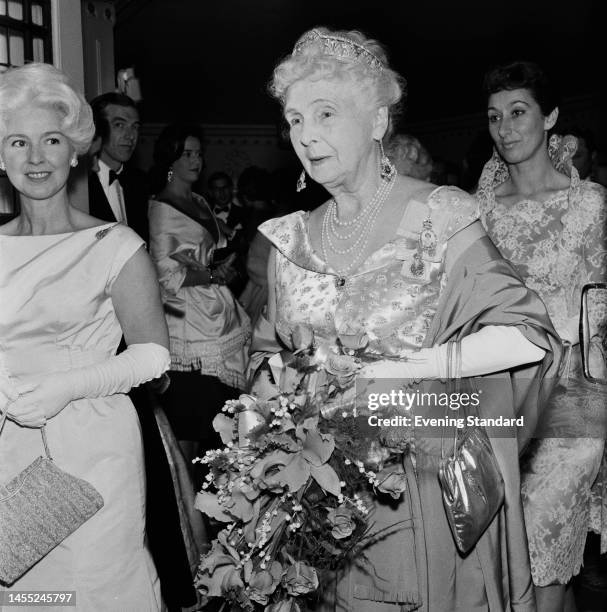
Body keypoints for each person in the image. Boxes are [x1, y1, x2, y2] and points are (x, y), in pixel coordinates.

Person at [254, 28, 562, 611]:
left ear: (376, 122)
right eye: (295, 119)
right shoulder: (287, 241)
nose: (306, 135)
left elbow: (528, 335)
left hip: (417, 492)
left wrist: (413, 366)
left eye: (325, 113)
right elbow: (268, 362)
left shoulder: (440, 215)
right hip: (316, 508)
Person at [0, 63, 170, 610]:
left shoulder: (115, 244)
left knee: (93, 589)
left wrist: (69, 385)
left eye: (50, 140)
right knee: (28, 596)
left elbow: (153, 357)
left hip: (92, 444)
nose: (35, 158)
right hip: (6, 438)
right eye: (17, 142)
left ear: (74, 150)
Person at [476, 60, 607, 612]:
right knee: (512, 569)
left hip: (574, 405)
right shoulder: (479, 213)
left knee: (544, 555)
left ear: (550, 118)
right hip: (501, 402)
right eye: (494, 116)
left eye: (519, 112)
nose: (505, 127)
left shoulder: (591, 204)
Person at [148, 124, 251, 471]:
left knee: (223, 424)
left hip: (219, 309)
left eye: (198, 153)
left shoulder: (200, 200)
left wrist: (225, 264)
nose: (195, 160)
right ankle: (191, 507)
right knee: (194, 424)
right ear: (170, 160)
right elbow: (165, 274)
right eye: (186, 154)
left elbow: (213, 250)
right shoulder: (161, 206)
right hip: (189, 324)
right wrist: (210, 274)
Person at [88, 92, 149, 242]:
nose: (130, 135)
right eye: (119, 125)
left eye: (135, 127)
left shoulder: (140, 182)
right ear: (97, 128)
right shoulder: (80, 184)